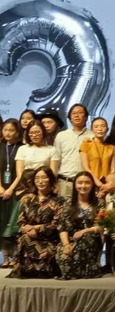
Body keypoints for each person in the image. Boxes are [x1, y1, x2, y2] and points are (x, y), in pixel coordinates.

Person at [8, 166, 63, 278]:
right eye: (37, 178)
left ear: (51, 179)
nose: (40, 181)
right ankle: (25, 269)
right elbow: (21, 221)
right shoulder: (27, 198)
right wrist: (26, 229)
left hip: (49, 239)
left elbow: (56, 224)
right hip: (29, 236)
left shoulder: (59, 200)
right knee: (24, 239)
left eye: (44, 177)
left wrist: (36, 229)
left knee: (47, 251)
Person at [55, 171, 104, 279]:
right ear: (75, 185)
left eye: (87, 182)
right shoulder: (68, 203)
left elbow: (100, 226)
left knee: (85, 240)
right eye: (80, 182)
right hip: (71, 239)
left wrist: (84, 231)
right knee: (62, 252)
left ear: (92, 185)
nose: (83, 186)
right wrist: (66, 245)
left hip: (91, 237)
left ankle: (85, 270)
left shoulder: (99, 203)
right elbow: (62, 227)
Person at [50, 104, 92, 198]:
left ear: (86, 117)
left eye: (80, 112)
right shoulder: (61, 136)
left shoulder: (93, 136)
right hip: (64, 182)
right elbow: (56, 161)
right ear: (70, 118)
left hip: (85, 183)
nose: (76, 115)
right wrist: (54, 182)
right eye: (73, 113)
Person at [0, 119, 23, 267]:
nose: (7, 133)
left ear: (17, 132)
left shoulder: (22, 147)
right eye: (5, 130)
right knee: (2, 221)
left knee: (13, 222)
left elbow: (21, 173)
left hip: (16, 189)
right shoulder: (0, 146)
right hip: (1, 189)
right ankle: (5, 257)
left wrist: (11, 189)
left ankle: (15, 256)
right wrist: (1, 187)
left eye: (11, 130)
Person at [79, 117, 115, 193]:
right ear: (92, 129)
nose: (100, 129)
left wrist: (108, 185)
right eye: (96, 127)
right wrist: (98, 183)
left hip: (107, 186)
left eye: (103, 126)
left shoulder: (111, 147)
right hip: (89, 183)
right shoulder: (85, 145)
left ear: (107, 129)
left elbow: (113, 170)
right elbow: (86, 168)